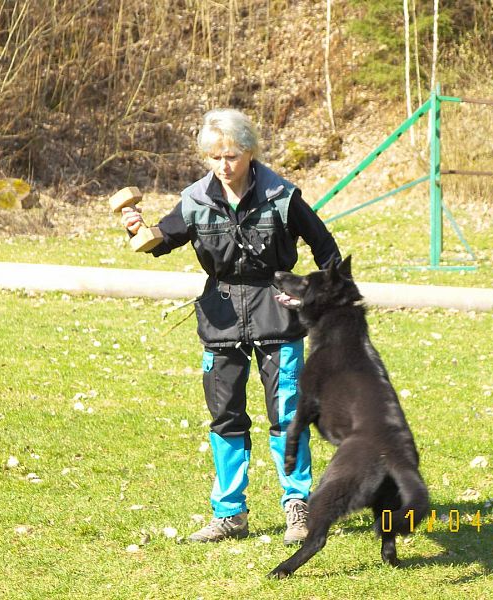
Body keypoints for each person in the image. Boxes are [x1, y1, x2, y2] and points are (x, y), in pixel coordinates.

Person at [121, 108, 341, 544]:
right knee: (226, 419)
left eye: (233, 155)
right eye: (215, 156)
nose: (224, 165)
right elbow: (161, 240)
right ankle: (229, 515)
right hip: (220, 317)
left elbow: (325, 248)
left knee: (287, 415)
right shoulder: (196, 199)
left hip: (278, 313)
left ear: (250, 152)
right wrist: (136, 229)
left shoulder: (283, 196)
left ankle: (297, 506)